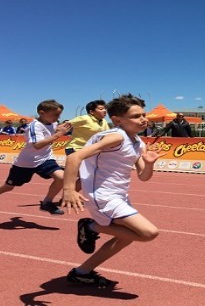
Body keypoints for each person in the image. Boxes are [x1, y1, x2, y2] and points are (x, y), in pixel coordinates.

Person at [61, 94, 165, 287]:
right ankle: (91, 226)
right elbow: (74, 158)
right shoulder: (115, 137)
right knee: (149, 233)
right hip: (103, 196)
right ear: (117, 120)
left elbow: (143, 176)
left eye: (143, 114)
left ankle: (81, 272)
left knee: (125, 238)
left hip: (120, 196)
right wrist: (68, 189)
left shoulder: (138, 142)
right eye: (136, 116)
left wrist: (149, 164)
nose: (143, 119)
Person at [0, 100, 72, 220]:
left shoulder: (53, 123)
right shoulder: (34, 126)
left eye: (59, 115)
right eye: (55, 115)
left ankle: (47, 202)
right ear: (42, 113)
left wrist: (60, 129)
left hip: (45, 159)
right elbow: (37, 145)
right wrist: (59, 134)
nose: (58, 117)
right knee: (8, 187)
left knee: (63, 178)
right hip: (25, 163)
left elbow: (54, 130)